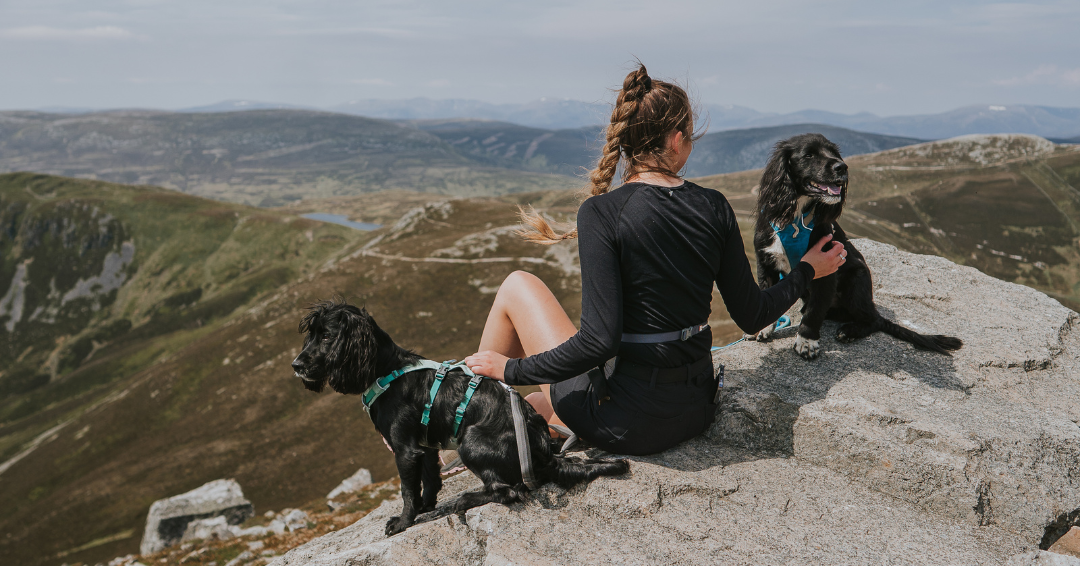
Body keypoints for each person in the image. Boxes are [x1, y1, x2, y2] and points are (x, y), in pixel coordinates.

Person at [463, 65, 845, 455]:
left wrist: (509, 369)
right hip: (696, 410)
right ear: (677, 140)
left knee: (517, 286)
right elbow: (752, 314)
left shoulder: (601, 212)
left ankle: (454, 431)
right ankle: (519, 428)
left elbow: (598, 341)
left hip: (628, 423)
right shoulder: (714, 205)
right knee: (538, 406)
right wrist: (808, 270)